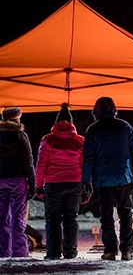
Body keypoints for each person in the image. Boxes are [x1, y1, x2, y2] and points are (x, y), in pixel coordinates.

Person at [82, 97, 133, 261]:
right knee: (126, 213)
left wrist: (86, 180)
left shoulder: (92, 130)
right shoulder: (125, 126)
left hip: (103, 178)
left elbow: (88, 158)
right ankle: (127, 250)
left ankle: (110, 250)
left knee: (107, 214)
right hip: (124, 176)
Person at [34, 103, 84, 259]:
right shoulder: (80, 140)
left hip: (53, 184)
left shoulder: (48, 140)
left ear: (56, 122)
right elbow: (84, 165)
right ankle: (70, 252)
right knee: (71, 217)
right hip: (74, 183)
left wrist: (38, 185)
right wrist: (86, 185)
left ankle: (53, 253)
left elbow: (41, 164)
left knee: (53, 219)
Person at [0, 107, 35, 258]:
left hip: (0, 181)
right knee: (18, 217)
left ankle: (3, 252)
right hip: (18, 181)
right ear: (17, 118)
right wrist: (33, 184)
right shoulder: (20, 135)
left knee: (1, 218)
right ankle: (20, 253)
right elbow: (28, 162)